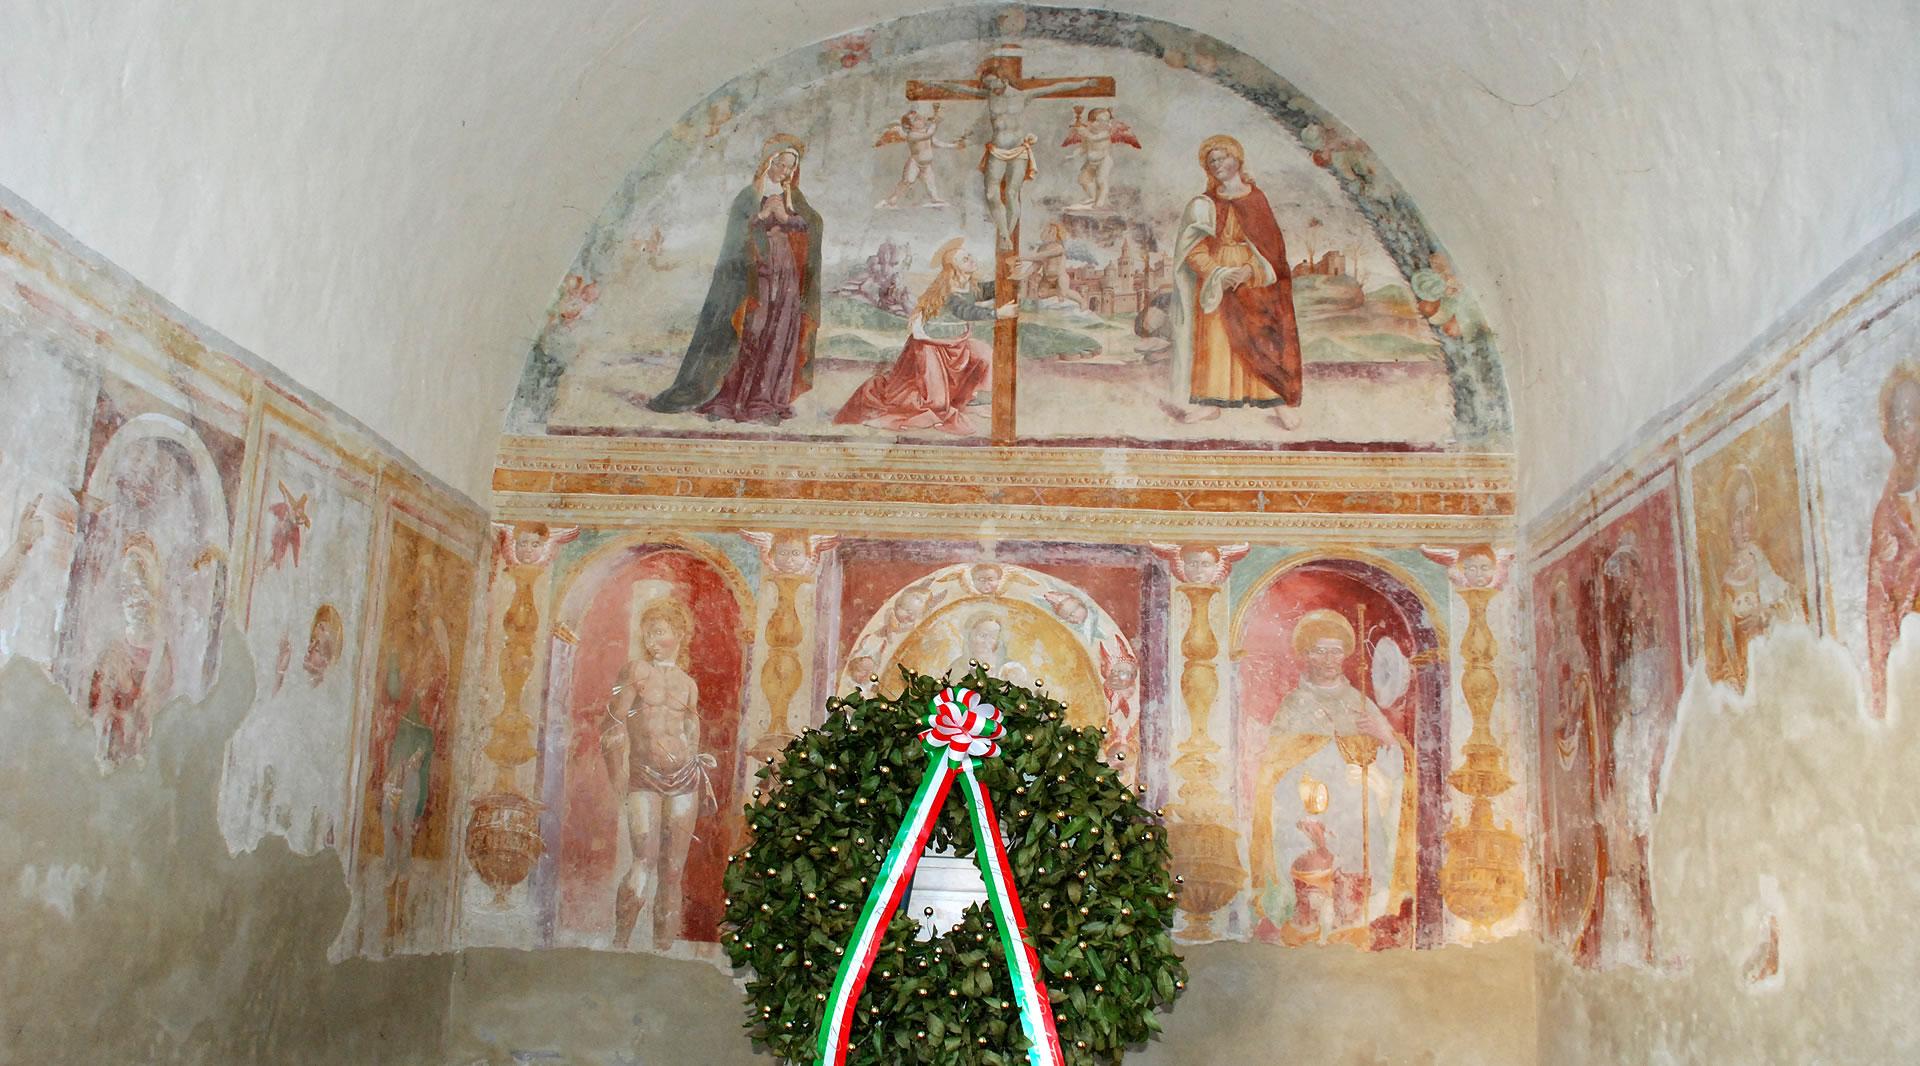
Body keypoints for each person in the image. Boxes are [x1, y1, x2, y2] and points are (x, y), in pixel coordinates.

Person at [1248, 609, 1414, 948]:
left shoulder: (1359, 701)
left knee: (1360, 850)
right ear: (1306, 655)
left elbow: (1393, 765)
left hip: (1355, 809)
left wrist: (1385, 738)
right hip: (1304, 805)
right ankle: (1305, 924)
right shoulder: (1295, 705)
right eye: (1319, 650)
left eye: (1335, 650)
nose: (1328, 659)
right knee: (1306, 850)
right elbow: (1276, 768)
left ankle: (1355, 923)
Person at [646, 134, 822, 422]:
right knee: (747, 331)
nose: (785, 171)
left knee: (778, 333)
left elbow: (810, 225)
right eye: (781, 164)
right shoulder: (749, 196)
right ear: (768, 163)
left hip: (785, 275)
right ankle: (728, 398)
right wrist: (765, 213)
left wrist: (788, 218)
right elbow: (738, 234)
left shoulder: (795, 198)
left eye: (790, 167)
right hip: (752, 276)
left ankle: (763, 400)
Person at [1166, 135, 1304, 429]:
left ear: (1237, 160)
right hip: (1215, 281)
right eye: (1211, 161)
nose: (1217, 165)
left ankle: (1276, 402)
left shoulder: (1256, 200)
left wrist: (1249, 270)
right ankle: (1210, 401)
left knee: (1260, 339)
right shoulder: (1204, 205)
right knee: (1215, 340)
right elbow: (1193, 250)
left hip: (1254, 282)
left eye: (1222, 158)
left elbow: (1272, 250)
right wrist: (1217, 272)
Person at [599, 597, 713, 950]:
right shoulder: (636, 672)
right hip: (644, 777)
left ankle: (662, 948)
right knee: (643, 860)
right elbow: (614, 724)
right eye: (648, 633)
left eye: (659, 632)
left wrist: (696, 757)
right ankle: (620, 942)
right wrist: (617, 775)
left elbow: (691, 729)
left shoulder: (688, 683)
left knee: (673, 869)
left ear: (678, 635)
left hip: (684, 779)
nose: (651, 640)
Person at [833, 238, 1016, 434]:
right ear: (953, 268)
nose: (971, 259)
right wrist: (996, 314)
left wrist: (1012, 276)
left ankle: (972, 398)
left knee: (985, 355)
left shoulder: (969, 285)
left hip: (956, 343)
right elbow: (964, 310)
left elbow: (989, 290)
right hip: (932, 346)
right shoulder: (948, 289)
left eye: (969, 256)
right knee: (934, 401)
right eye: (965, 259)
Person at [1714, 464, 1801, 691]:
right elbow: (1727, 648)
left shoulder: (1765, 564)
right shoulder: (1727, 586)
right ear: (1728, 523)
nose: (1744, 524)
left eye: (1748, 512)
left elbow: (1795, 604)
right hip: (1749, 686)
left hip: (1777, 673)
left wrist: (1767, 614)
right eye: (1737, 516)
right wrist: (1735, 685)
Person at [1867, 362, 1920, 718]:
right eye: (1900, 420)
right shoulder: (1886, 517)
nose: (1909, 430)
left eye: (1914, 416)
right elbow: (1878, 607)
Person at [874, 106, 967, 208]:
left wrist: (954, 146)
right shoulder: (912, 135)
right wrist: (935, 122)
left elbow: (937, 143)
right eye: (916, 120)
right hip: (915, 163)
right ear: (909, 126)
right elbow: (928, 135)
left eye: (919, 118)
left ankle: (935, 198)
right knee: (907, 181)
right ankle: (892, 200)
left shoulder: (925, 132)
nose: (921, 120)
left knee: (930, 181)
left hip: (926, 165)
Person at [1061, 106, 1141, 211]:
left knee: (1101, 180)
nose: (1104, 124)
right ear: (1089, 122)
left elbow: (1094, 138)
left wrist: (1084, 132)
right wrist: (1073, 155)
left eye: (1106, 121)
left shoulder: (1105, 133)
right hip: (1090, 162)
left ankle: (1101, 201)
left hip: (1104, 161)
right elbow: (1084, 148)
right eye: (1099, 121)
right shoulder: (1088, 134)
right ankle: (1092, 197)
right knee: (1083, 179)